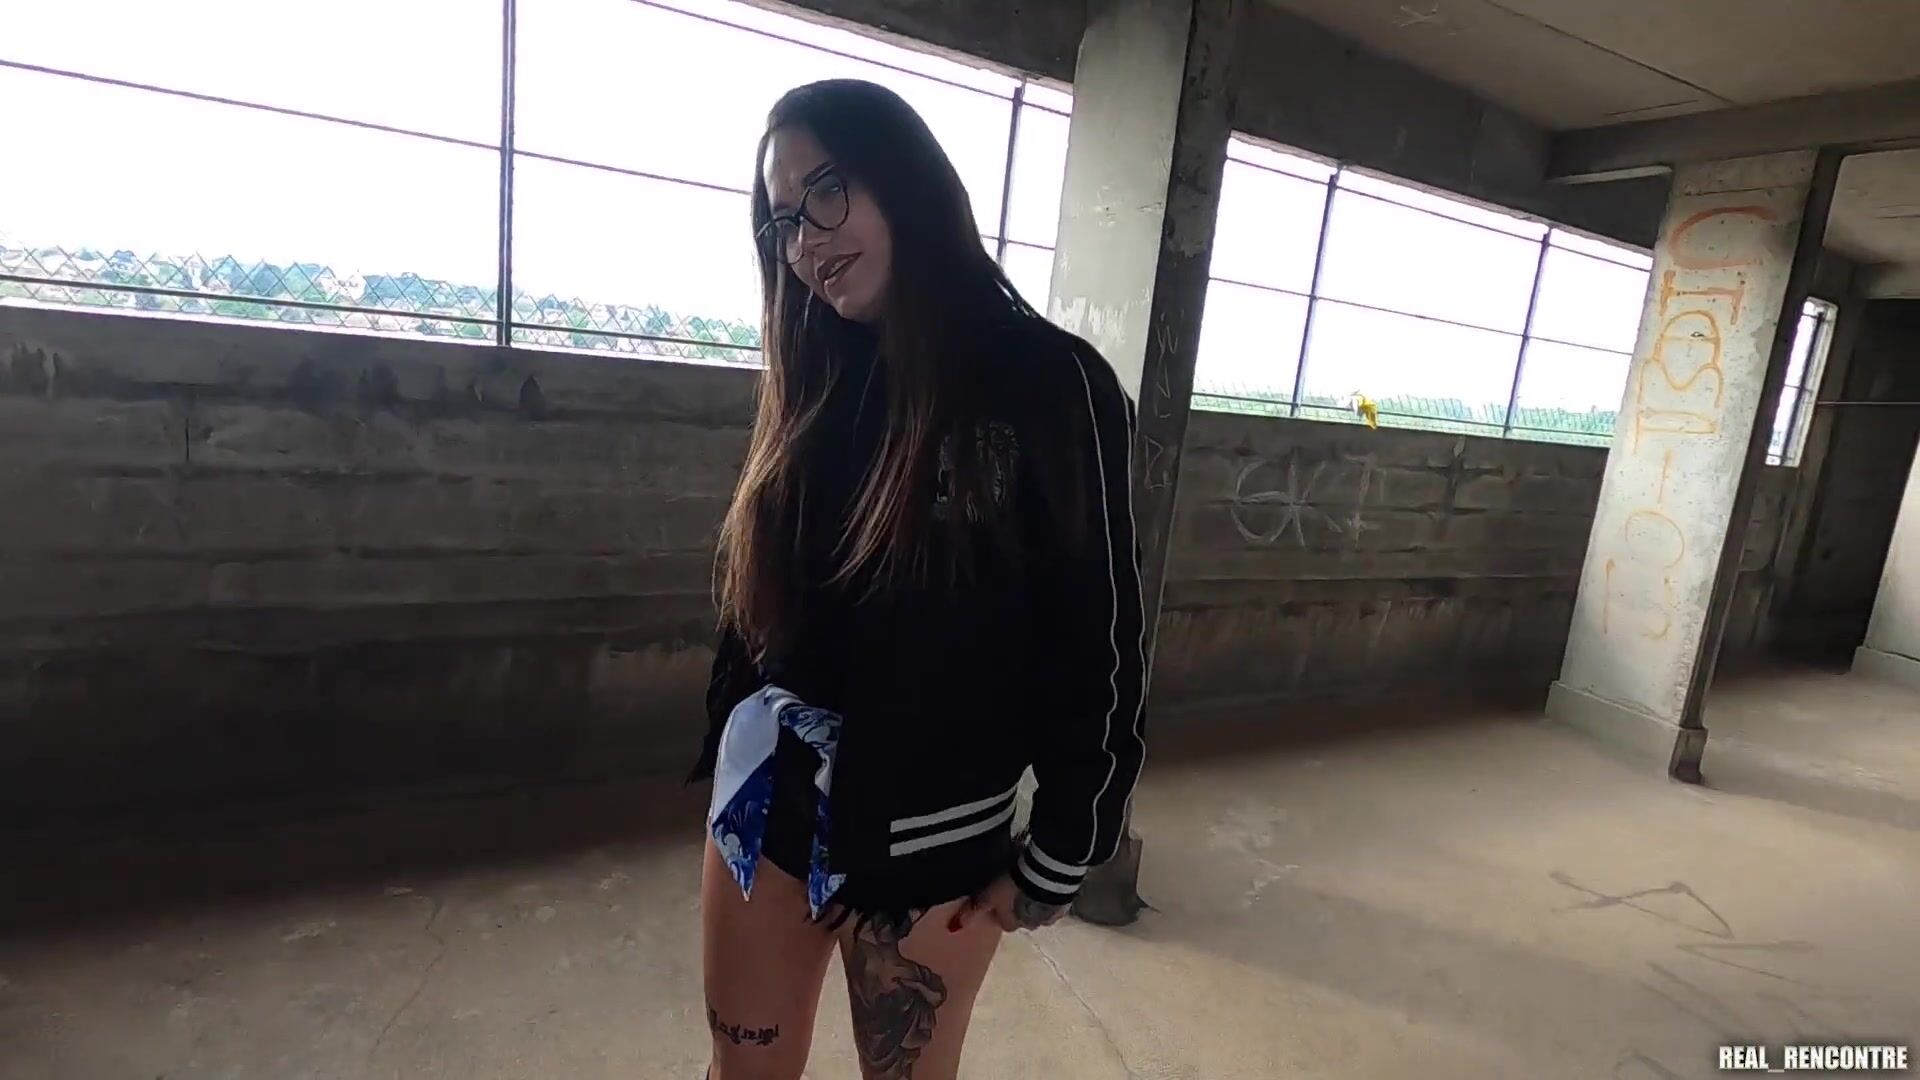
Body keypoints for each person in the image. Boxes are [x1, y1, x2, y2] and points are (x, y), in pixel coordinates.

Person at [692, 78, 1146, 1080]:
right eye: (782, 219)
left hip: (933, 839)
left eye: (825, 191)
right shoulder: (814, 372)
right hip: (773, 808)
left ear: (905, 179)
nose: (804, 242)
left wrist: (1067, 844)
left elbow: (1097, 636)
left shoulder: (1050, 382)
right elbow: (763, 613)